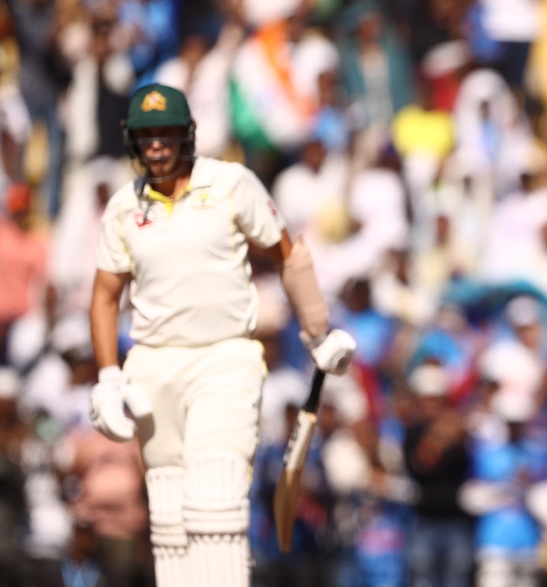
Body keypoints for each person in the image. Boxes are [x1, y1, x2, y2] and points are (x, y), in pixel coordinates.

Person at [86, 83, 357, 587]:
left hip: (225, 359)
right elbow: (104, 297)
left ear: (187, 134)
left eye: (166, 133)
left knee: (215, 502)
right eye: (146, 136)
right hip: (152, 366)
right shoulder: (123, 206)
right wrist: (106, 377)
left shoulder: (231, 182)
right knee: (170, 519)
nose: (156, 146)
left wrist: (317, 331)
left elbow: (287, 254)